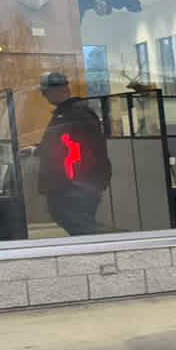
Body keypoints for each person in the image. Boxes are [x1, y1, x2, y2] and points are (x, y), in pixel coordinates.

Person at [36, 71, 111, 236]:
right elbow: (59, 143)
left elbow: (81, 149)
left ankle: (93, 251)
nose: (43, 96)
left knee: (81, 226)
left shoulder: (75, 114)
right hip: (73, 183)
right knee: (69, 220)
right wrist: (38, 149)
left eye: (45, 92)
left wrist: (74, 182)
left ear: (59, 90)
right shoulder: (66, 113)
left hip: (75, 185)